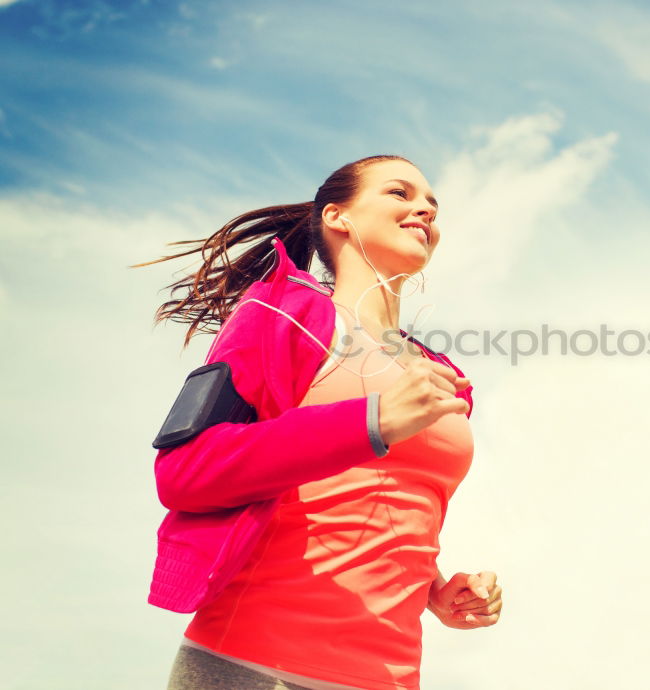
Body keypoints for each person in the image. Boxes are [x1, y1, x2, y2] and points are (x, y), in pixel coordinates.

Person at [134, 155, 502, 690]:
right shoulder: (282, 315)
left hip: (388, 675)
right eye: (400, 193)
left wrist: (437, 591)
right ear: (338, 216)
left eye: (432, 204)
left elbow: (372, 505)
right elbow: (184, 471)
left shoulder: (443, 374)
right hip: (255, 663)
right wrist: (370, 421)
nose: (424, 207)